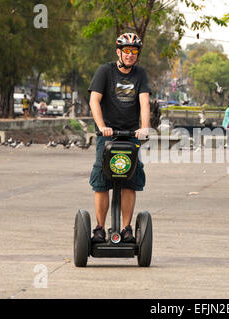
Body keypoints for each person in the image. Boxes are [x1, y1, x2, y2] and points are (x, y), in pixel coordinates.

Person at [88, 32, 151, 243]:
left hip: (131, 135)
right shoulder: (105, 71)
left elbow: (144, 103)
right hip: (108, 135)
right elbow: (94, 101)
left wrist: (144, 128)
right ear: (119, 52)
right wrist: (102, 126)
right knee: (101, 179)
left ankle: (126, 229)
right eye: (126, 51)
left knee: (130, 181)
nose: (130, 55)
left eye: (134, 51)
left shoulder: (140, 74)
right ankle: (98, 228)